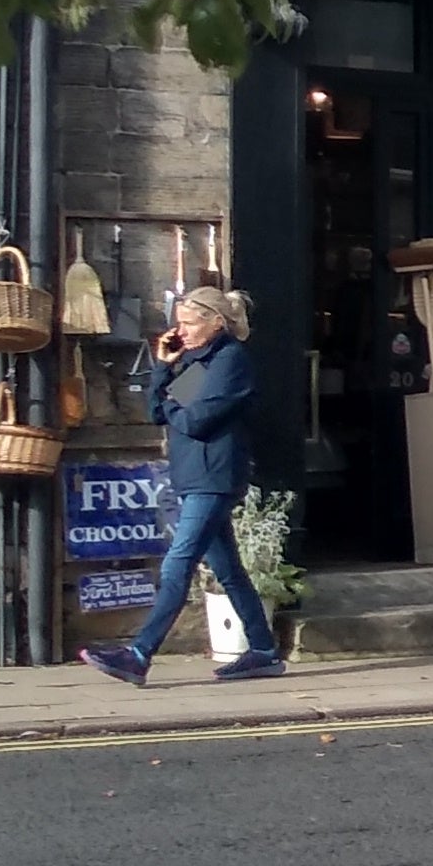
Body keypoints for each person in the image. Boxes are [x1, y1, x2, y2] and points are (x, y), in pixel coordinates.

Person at [82, 280, 283, 685]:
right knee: (229, 571)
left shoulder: (230, 361)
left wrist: (173, 403)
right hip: (193, 477)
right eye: (180, 323)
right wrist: (162, 366)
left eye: (190, 323)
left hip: (214, 477)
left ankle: (139, 654)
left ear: (216, 323)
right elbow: (159, 411)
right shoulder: (192, 362)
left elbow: (196, 420)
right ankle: (262, 651)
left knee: (177, 563)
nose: (182, 331)